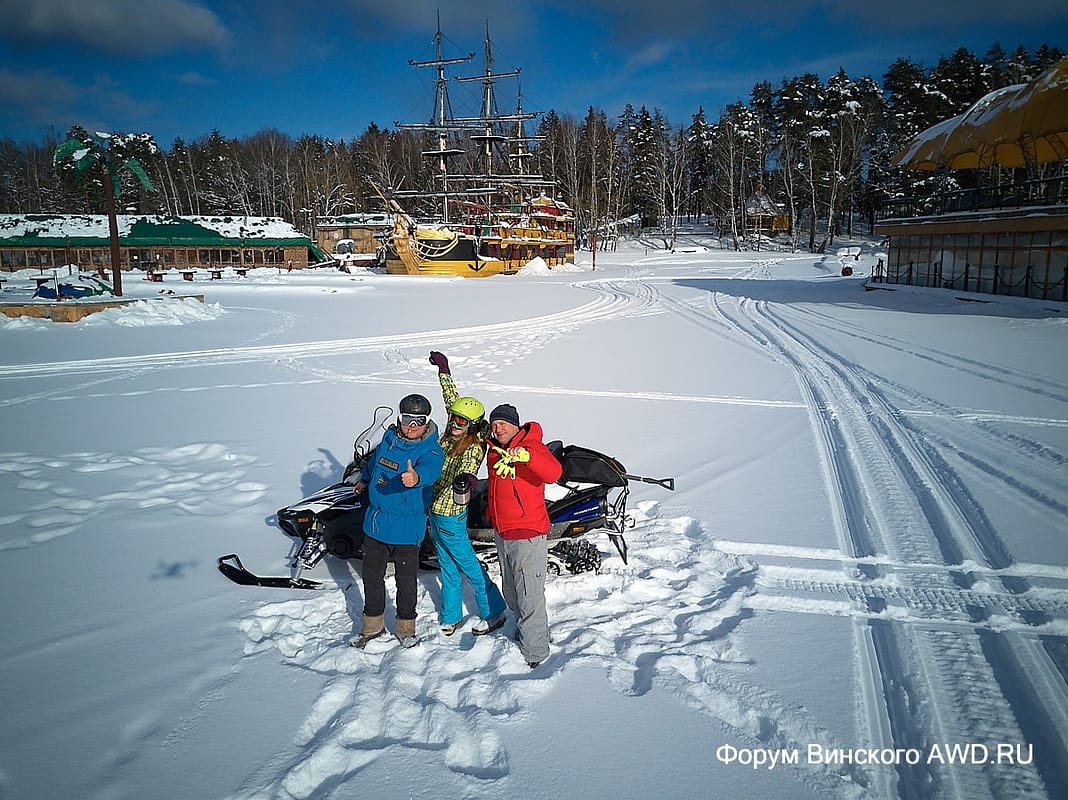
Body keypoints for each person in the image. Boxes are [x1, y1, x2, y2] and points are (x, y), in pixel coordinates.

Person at [348, 394, 445, 649]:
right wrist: (364, 479)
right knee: (372, 577)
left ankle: (406, 629)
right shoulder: (390, 438)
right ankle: (372, 626)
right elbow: (375, 463)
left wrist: (416, 477)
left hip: (406, 528)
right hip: (377, 523)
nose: (411, 426)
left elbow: (431, 470)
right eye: (407, 418)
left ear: (426, 422)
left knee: (406, 582)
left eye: (418, 421)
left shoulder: (432, 450)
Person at [426, 351, 507, 636]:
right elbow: (452, 400)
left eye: (461, 422)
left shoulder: (472, 447)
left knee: (469, 565)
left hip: (449, 514)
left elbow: (468, 468)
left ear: (472, 425)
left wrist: (466, 480)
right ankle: (451, 615)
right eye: (453, 419)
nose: (454, 424)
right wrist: (444, 371)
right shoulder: (456, 431)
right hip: (435, 512)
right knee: (447, 564)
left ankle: (494, 611)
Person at [485, 403, 562, 668]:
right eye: (494, 425)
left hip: (527, 534)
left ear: (515, 425)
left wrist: (527, 457)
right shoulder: (495, 450)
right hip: (503, 532)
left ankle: (535, 653)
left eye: (503, 424)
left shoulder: (531, 446)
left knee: (529, 595)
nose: (498, 429)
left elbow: (553, 473)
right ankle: (529, 633)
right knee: (512, 591)